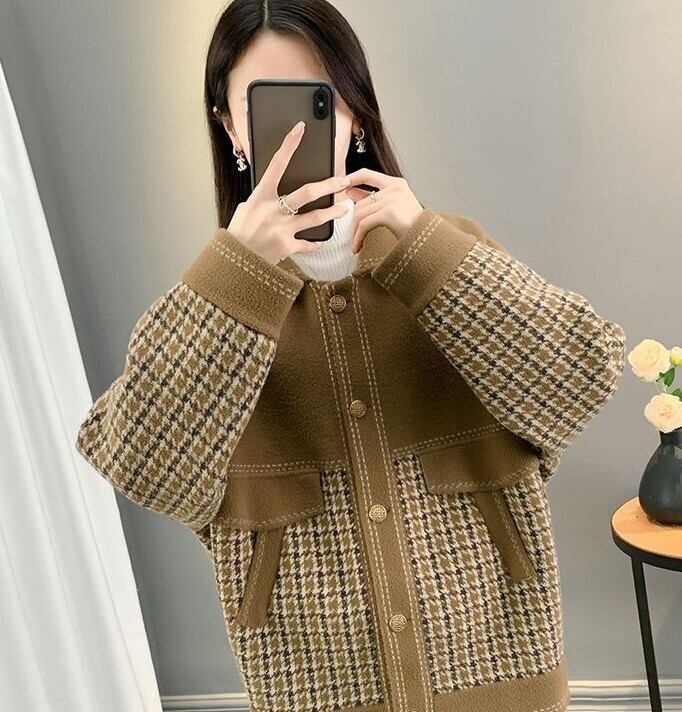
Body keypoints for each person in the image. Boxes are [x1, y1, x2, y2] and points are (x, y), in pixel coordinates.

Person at [75, 2, 627, 711]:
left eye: (320, 99)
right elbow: (143, 465)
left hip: (498, 673)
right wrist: (239, 274)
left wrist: (424, 246)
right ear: (230, 127)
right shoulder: (216, 303)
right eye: (265, 106)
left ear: (356, 114)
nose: (297, 132)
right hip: (316, 687)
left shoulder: (444, 251)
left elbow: (581, 377)